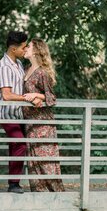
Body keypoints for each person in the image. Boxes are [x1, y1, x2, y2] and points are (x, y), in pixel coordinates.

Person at [0, 31, 43, 194]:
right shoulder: (3, 66)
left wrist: (36, 96)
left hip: (20, 114)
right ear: (13, 48)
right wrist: (28, 99)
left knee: (16, 146)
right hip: (7, 114)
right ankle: (14, 184)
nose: (25, 50)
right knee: (20, 144)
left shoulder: (19, 64)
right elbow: (7, 95)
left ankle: (13, 181)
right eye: (23, 47)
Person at [22, 38, 65, 192]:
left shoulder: (42, 72)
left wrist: (36, 95)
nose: (25, 48)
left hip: (43, 122)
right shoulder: (26, 69)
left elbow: (52, 97)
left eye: (29, 46)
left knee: (45, 159)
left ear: (36, 50)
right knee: (34, 161)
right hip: (30, 122)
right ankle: (39, 194)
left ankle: (57, 194)